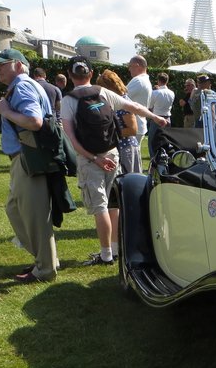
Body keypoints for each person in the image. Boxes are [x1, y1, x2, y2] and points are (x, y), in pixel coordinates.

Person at [62, 56, 167, 266]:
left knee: (99, 206)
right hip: (112, 153)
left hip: (90, 158)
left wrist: (93, 158)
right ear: (91, 74)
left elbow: (72, 140)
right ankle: (117, 248)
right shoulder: (103, 93)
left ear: (70, 75)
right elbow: (134, 107)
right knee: (112, 202)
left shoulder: (68, 101)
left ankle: (106, 254)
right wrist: (156, 118)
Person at [0, 48, 57, 284]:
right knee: (16, 209)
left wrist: (5, 110)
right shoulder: (26, 85)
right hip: (28, 157)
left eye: (2, 64)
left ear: (18, 65)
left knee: (34, 216)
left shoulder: (22, 86)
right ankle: (44, 259)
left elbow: (34, 121)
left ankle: (45, 268)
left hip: (28, 157)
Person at [95, 68, 142, 174]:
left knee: (128, 183)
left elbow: (133, 130)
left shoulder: (124, 102)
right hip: (117, 148)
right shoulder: (112, 101)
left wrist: (108, 133)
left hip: (126, 149)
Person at [126, 54, 152, 149]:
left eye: (130, 66)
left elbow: (121, 97)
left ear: (137, 66)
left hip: (133, 125)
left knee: (129, 159)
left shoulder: (138, 80)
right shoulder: (145, 80)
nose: (129, 69)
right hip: (138, 124)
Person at [148, 72, 175, 149]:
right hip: (167, 117)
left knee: (152, 140)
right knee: (166, 140)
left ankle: (154, 158)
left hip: (157, 117)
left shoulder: (155, 92)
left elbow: (150, 106)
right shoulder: (172, 93)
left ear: (158, 81)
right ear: (167, 81)